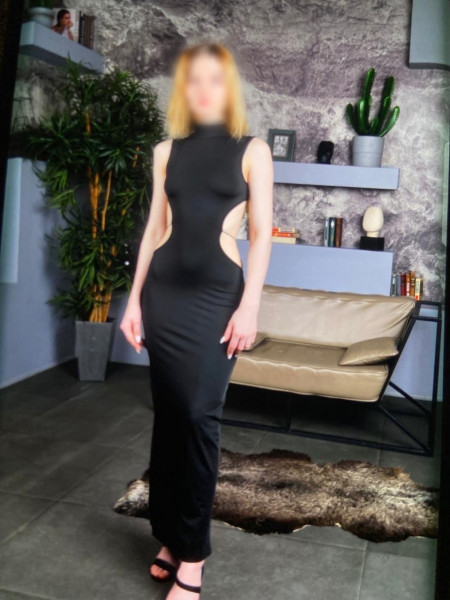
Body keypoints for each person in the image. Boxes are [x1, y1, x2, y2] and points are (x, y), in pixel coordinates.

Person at [120, 43, 273, 599]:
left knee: (198, 417)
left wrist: (250, 305)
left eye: (215, 79)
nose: (204, 89)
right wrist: (133, 302)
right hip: (163, 296)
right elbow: (154, 231)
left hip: (216, 299)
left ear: (228, 88)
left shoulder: (252, 150)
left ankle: (194, 555)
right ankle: (169, 535)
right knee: (169, 418)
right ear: (183, 90)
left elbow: (261, 236)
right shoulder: (166, 151)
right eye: (194, 80)